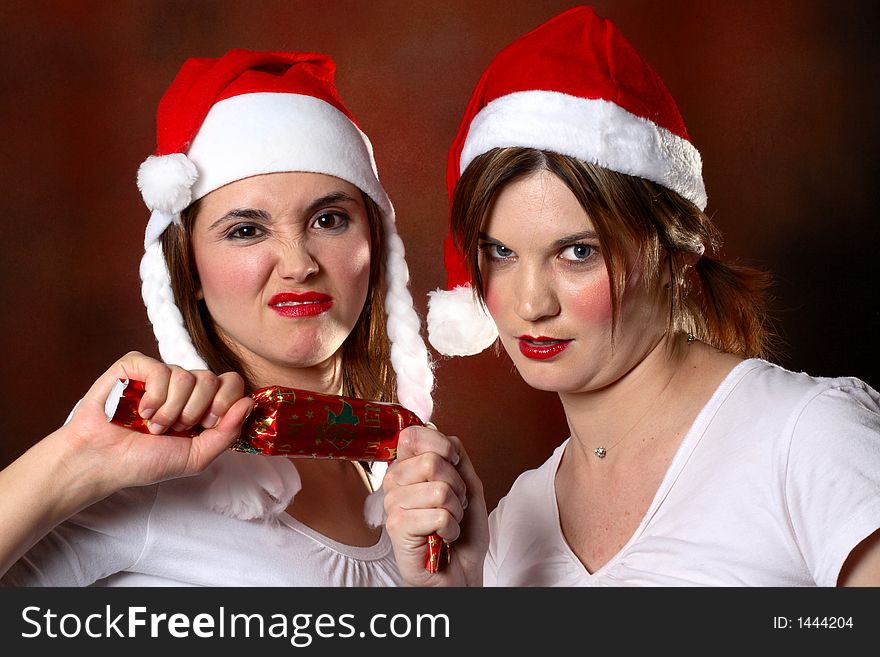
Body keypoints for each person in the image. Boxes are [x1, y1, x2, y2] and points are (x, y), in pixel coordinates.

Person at [383, 6, 880, 586]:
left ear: (679, 247)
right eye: (501, 253)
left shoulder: (808, 438)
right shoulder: (515, 519)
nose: (531, 303)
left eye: (578, 253)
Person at [1, 49, 434, 586]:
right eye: (246, 231)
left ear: (375, 245)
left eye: (328, 219)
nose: (299, 265)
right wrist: (75, 460)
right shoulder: (144, 458)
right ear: (192, 272)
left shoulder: (410, 486)